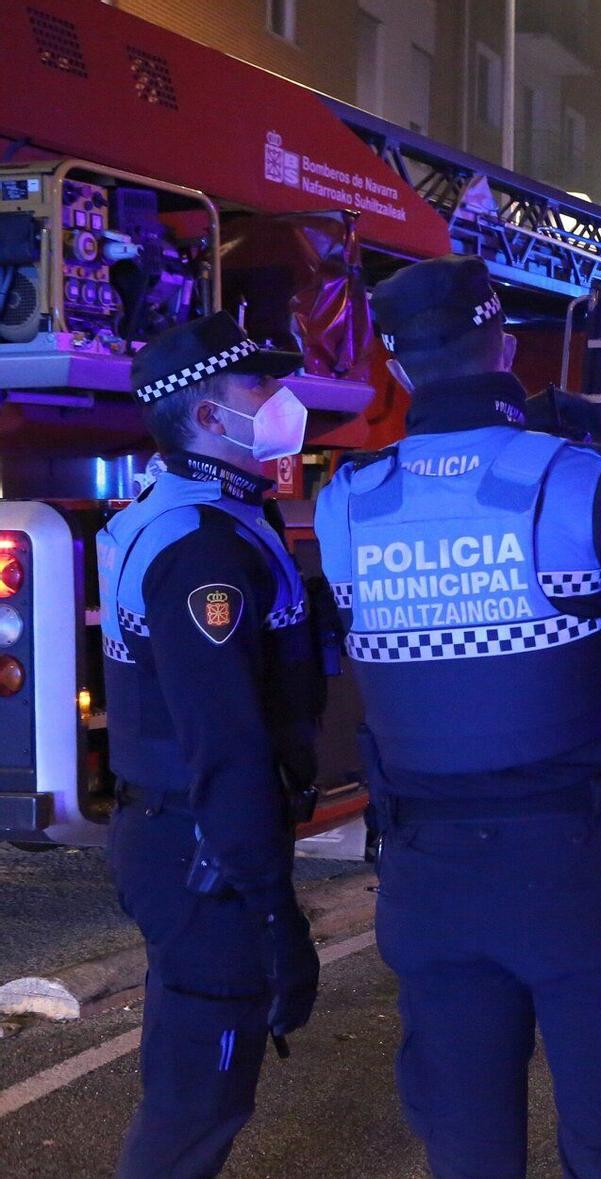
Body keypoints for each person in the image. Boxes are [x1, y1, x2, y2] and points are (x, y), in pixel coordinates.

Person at [315, 256, 601, 1176]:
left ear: (395, 369)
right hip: (573, 872)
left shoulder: (345, 506)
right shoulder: (578, 480)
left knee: (466, 1134)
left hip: (425, 876)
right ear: (504, 344)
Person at [100, 313, 324, 1178]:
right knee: (199, 1105)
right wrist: (274, 909)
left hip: (180, 840)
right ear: (204, 417)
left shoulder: (201, 515)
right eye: (257, 389)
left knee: (186, 1081)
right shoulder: (202, 552)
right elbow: (225, 744)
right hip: (205, 850)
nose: (278, 404)